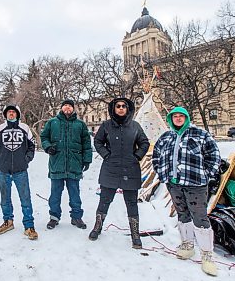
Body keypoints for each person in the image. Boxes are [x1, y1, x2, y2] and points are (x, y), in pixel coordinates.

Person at [152, 107, 221, 276]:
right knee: (182, 214)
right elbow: (156, 155)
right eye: (174, 116)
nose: (177, 118)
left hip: (195, 183)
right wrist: (162, 173)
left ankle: (207, 255)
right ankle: (187, 245)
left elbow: (214, 155)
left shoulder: (200, 134)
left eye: (181, 116)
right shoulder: (166, 137)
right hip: (174, 183)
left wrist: (207, 173)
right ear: (170, 119)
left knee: (200, 217)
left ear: (186, 118)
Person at [90, 97, 149, 248]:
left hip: (130, 169)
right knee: (104, 200)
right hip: (110, 168)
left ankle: (135, 234)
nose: (121, 108)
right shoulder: (106, 125)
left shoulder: (135, 126)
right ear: (114, 109)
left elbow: (144, 143)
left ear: (128, 109)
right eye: (118, 106)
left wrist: (137, 156)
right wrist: (106, 155)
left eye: (124, 106)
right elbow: (97, 141)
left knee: (131, 203)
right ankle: (97, 227)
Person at [40, 99, 93, 230]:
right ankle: (54, 217)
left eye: (70, 106)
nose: (67, 108)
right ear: (61, 108)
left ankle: (76, 217)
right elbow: (44, 137)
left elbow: (86, 143)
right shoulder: (52, 122)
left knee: (75, 193)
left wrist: (87, 159)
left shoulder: (80, 124)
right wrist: (47, 147)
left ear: (73, 109)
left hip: (74, 164)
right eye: (65, 106)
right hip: (57, 163)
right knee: (55, 193)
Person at [0, 104, 38, 240]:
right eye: (9, 112)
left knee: (25, 198)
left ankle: (29, 226)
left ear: (17, 114)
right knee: (5, 199)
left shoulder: (25, 128)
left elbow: (32, 146)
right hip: (3, 171)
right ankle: (8, 221)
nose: (11, 114)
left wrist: (26, 159)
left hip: (20, 170)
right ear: (5, 114)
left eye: (13, 112)